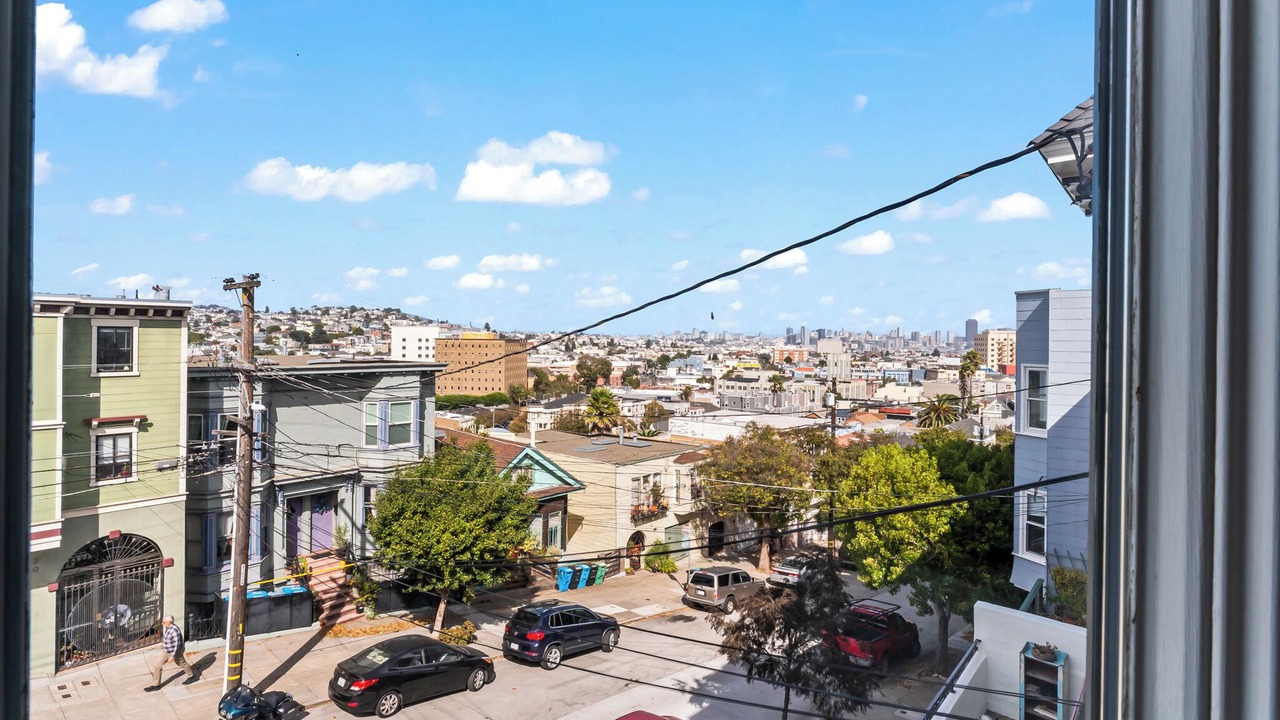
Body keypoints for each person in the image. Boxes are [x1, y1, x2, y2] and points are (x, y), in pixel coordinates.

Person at [145, 615, 198, 690]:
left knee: (182, 664)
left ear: (169, 622)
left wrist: (173, 656)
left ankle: (192, 676)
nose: (162, 623)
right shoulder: (168, 627)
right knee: (157, 666)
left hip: (175, 652)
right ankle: (155, 685)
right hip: (166, 651)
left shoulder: (174, 631)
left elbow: (177, 645)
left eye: (164, 622)